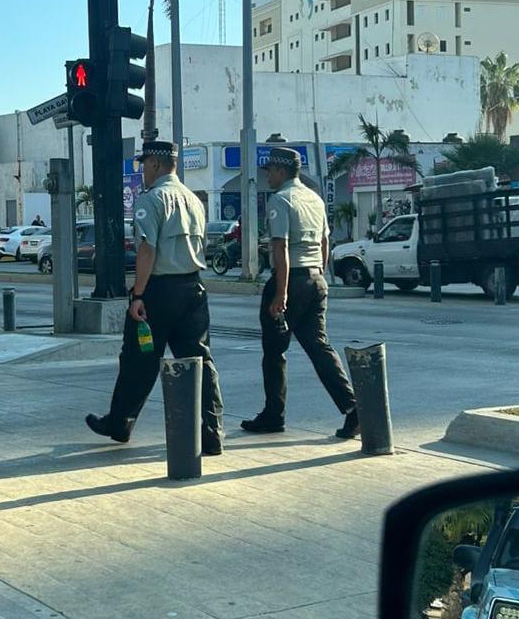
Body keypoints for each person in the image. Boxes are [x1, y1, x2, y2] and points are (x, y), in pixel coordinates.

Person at [86, 140, 224, 455]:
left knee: (138, 358)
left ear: (155, 165)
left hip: (158, 293)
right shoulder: (194, 200)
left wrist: (138, 295)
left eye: (143, 164)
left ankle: (120, 423)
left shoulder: (152, 199)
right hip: (193, 289)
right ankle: (212, 432)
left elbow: (147, 250)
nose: (142, 171)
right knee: (200, 362)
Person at [241, 146, 359, 440]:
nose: (268, 176)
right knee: (320, 347)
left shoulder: (281, 200)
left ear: (281, 171)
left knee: (274, 351)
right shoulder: (315, 199)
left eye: (270, 171)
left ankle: (273, 414)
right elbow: (324, 243)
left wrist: (280, 295)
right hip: (315, 278)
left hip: (289, 281)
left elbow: (279, 248)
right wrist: (319, 274)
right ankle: (353, 408)